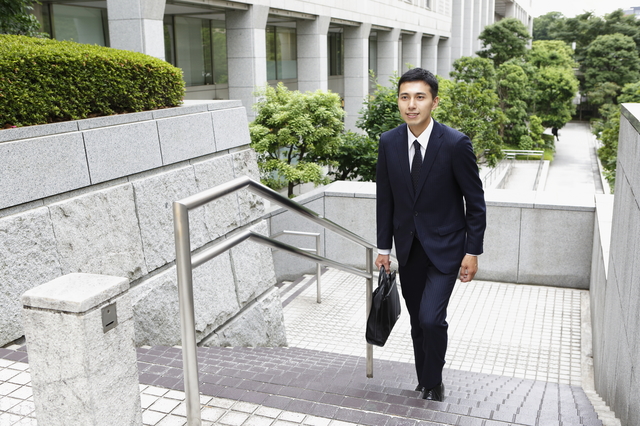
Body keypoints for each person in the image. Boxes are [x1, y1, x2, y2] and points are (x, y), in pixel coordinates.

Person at [375, 68, 486, 402]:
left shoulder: (455, 143)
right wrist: (383, 249)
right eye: (405, 97)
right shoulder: (389, 142)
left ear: (434, 102)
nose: (411, 105)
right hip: (408, 249)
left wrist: (472, 251)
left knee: (431, 319)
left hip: (446, 249)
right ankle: (424, 380)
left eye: (420, 97)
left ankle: (434, 381)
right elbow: (385, 199)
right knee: (417, 322)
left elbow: (475, 202)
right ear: (398, 101)